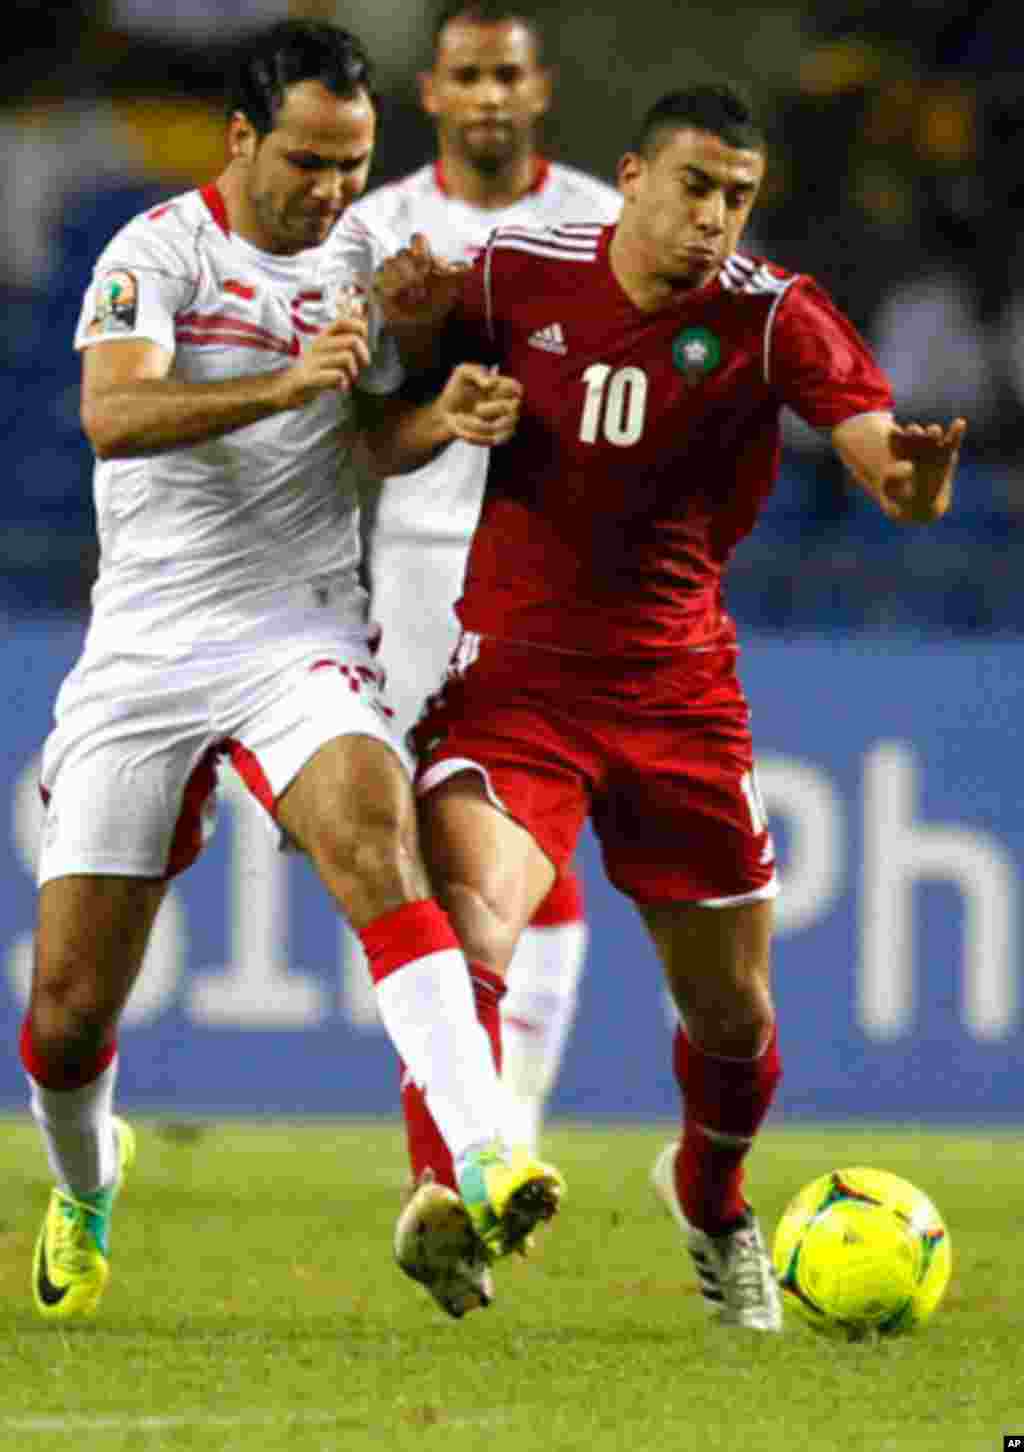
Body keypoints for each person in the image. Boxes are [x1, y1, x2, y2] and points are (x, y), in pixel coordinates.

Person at [373, 83, 966, 1330]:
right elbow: (390, 390)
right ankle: (453, 1196)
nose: (713, 219)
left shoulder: (770, 318)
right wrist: (407, 331)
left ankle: (709, 1196)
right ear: (632, 177)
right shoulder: (514, 275)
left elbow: (879, 459)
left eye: (737, 198)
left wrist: (908, 486)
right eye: (695, 187)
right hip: (517, 683)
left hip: (677, 697)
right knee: (469, 917)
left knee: (733, 1015)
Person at [22, 18, 562, 1328]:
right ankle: (89, 1182)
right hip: (145, 645)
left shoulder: (366, 260)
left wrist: (446, 410)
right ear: (243, 139)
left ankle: (489, 1148)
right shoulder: (156, 252)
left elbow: (370, 440)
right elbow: (114, 412)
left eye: (354, 164)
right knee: (68, 1014)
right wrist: (275, 389)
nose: (330, 191)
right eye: (309, 161)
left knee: (378, 842)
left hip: (298, 627)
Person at [325, 1, 622, 1159]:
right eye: (468, 75)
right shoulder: (377, 228)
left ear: (539, 87)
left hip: (549, 566)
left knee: (517, 836)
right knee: (421, 849)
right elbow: (343, 407)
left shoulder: (603, 222)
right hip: (409, 559)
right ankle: (480, 1120)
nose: (490, 94)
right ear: (433, 94)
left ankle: (503, 1121)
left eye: (508, 73)